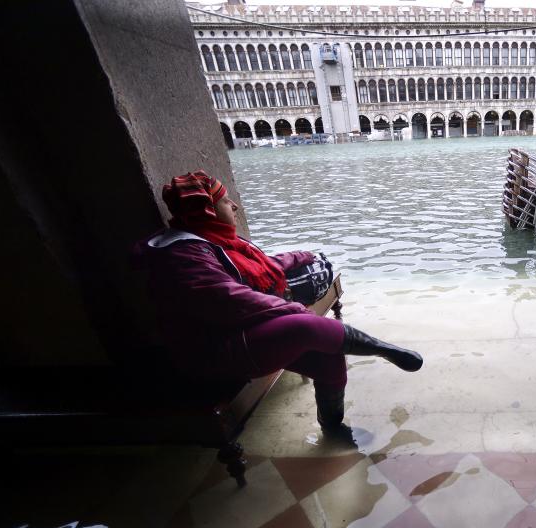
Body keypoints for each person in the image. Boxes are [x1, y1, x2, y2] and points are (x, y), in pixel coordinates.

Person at [141, 170, 422, 443]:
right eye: (226, 201)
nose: (235, 204)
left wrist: (301, 256)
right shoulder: (181, 254)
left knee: (328, 356)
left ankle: (332, 428)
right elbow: (229, 297)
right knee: (303, 325)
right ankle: (383, 349)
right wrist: (293, 310)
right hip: (212, 351)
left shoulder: (211, 239)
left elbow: (262, 266)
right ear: (210, 211)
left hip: (236, 333)